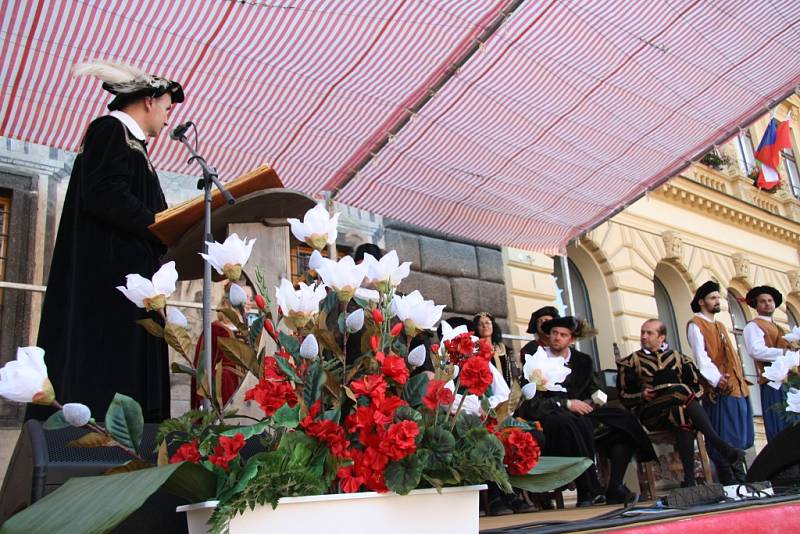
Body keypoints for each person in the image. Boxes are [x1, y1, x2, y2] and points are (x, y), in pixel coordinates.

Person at [26, 60, 184, 423]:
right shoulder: (110, 130)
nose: (167, 116)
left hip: (131, 282)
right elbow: (104, 193)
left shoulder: (134, 146)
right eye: (166, 106)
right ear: (148, 100)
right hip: (109, 285)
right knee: (108, 368)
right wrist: (158, 225)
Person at [517, 316, 655, 506]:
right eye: (554, 333)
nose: (557, 338)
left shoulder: (583, 361)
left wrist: (594, 400)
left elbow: (597, 390)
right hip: (551, 413)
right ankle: (588, 490)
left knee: (623, 422)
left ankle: (615, 486)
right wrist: (566, 403)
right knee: (572, 423)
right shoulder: (536, 358)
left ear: (571, 340)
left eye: (563, 335)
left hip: (584, 411)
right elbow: (531, 402)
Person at [617, 319, 745, 487]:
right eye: (642, 332)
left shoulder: (681, 359)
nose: (643, 336)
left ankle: (690, 481)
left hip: (678, 412)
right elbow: (623, 395)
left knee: (681, 413)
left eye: (649, 333)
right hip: (651, 413)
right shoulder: (630, 362)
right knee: (682, 390)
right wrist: (641, 395)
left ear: (662, 337)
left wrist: (682, 395)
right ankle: (719, 443)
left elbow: (699, 387)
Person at [686, 281, 753, 484]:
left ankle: (742, 480)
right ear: (701, 302)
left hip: (736, 386)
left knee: (740, 436)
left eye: (718, 297)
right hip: (720, 388)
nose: (717, 301)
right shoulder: (696, 324)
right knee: (724, 435)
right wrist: (716, 379)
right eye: (713, 298)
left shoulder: (720, 325)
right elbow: (701, 356)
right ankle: (730, 483)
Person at [742, 285, 798, 441]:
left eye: (770, 300)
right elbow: (756, 351)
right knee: (779, 426)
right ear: (756, 305)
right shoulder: (753, 326)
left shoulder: (779, 328)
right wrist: (783, 353)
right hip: (772, 383)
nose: (767, 303)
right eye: (763, 301)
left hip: (788, 382)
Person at [473, 312, 520, 387]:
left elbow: (514, 372)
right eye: (480, 324)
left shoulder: (503, 349)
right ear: (476, 328)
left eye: (487, 323)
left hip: (506, 390)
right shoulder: (474, 349)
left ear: (493, 326)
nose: (484, 326)